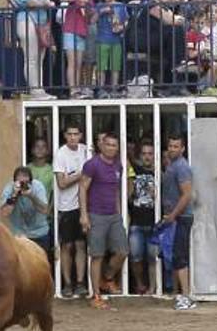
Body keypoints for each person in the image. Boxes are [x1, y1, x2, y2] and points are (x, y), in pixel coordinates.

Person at [80, 133, 128, 309]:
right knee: (97, 255)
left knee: (122, 251)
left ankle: (107, 278)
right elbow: (82, 188)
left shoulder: (118, 165)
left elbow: (116, 190)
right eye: (108, 144)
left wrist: (119, 213)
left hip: (113, 215)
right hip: (96, 215)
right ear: (101, 146)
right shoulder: (92, 164)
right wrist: (84, 215)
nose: (111, 148)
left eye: (114, 145)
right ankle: (96, 296)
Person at [54, 123, 91, 298]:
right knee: (67, 246)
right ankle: (67, 283)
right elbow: (61, 183)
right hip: (66, 206)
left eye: (76, 134)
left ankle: (81, 283)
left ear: (81, 135)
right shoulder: (61, 154)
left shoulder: (86, 151)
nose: (73, 137)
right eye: (69, 134)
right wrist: (81, 174)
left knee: (81, 244)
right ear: (65, 136)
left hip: (84, 206)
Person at [13, 0, 56, 99]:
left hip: (41, 21)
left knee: (40, 58)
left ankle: (40, 89)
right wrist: (46, 2)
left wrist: (45, 2)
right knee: (31, 57)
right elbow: (30, 2)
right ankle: (34, 90)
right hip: (27, 20)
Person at [160, 134, 196, 311]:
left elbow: (187, 194)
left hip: (182, 217)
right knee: (175, 256)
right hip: (176, 216)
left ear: (182, 149)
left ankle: (186, 296)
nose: (172, 149)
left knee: (180, 256)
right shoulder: (172, 165)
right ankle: (179, 293)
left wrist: (173, 215)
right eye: (170, 146)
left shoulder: (181, 167)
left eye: (176, 146)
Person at [127, 140, 159, 295]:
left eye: (150, 154)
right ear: (139, 156)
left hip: (154, 222)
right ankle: (140, 285)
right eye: (144, 154)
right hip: (136, 222)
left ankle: (152, 288)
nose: (147, 157)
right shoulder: (135, 170)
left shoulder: (160, 173)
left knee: (153, 258)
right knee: (135, 257)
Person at [1, 164, 51, 256]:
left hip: (39, 233)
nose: (22, 182)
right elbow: (5, 213)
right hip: (19, 235)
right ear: (14, 181)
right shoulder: (9, 188)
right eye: (19, 179)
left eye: (25, 178)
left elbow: (44, 210)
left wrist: (31, 195)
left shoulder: (37, 187)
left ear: (31, 181)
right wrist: (14, 195)